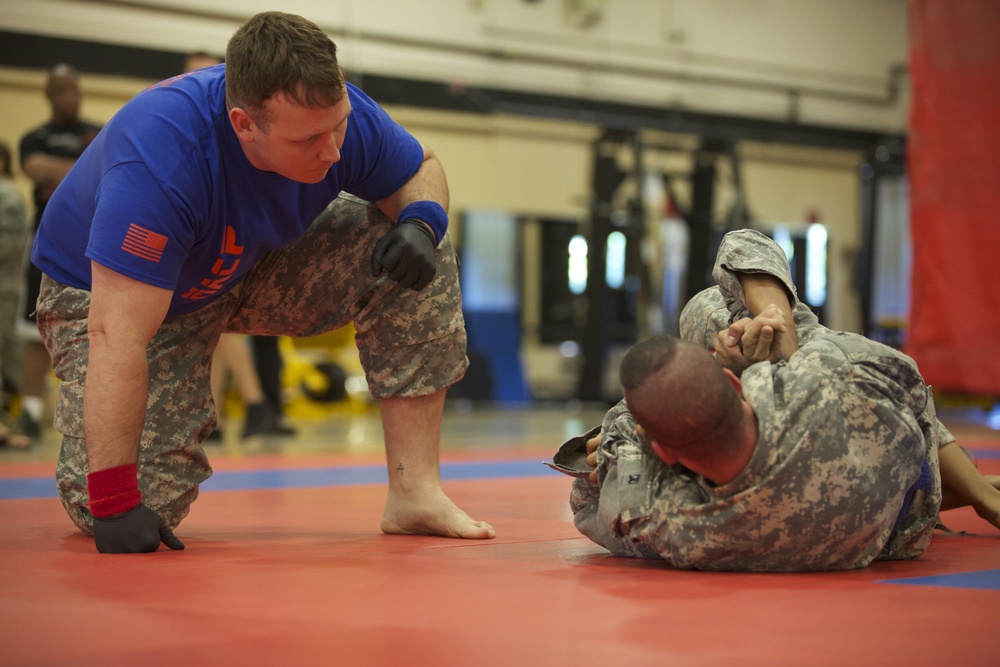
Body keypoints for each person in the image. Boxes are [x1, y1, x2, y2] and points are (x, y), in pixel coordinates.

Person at [30, 11, 495, 554]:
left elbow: (423, 164)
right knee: (135, 505)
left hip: (241, 262)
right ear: (244, 124)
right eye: (310, 140)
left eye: (338, 126)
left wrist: (421, 222)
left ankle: (415, 491)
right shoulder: (161, 161)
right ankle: (95, 476)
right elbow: (116, 333)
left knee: (416, 239)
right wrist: (113, 502)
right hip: (106, 294)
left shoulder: (334, 117)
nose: (334, 151)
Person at [566, 229, 997, 571]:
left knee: (704, 315)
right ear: (737, 386)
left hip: (889, 531)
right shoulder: (834, 379)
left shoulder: (688, 531)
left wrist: (634, 435)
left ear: (663, 450)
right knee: (715, 312)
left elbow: (592, 502)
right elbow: (910, 388)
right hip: (895, 473)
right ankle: (984, 495)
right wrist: (786, 354)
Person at [17, 64, 102, 441]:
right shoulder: (34, 136)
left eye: (75, 90)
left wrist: (62, 176)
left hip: (94, 240)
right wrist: (81, 172)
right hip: (47, 241)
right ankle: (31, 411)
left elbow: (106, 171)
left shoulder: (97, 132)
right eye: (62, 91)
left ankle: (96, 410)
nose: (70, 97)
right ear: (49, 95)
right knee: (35, 325)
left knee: (100, 324)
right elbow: (34, 167)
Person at [0, 142, 31, 449]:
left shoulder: (7, 196)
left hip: (4, 292)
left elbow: (9, 248)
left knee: (8, 357)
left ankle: (6, 424)